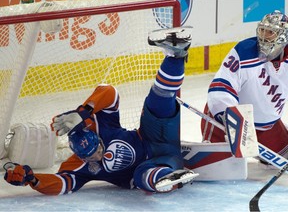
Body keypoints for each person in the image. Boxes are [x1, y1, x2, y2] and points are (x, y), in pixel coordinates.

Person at [3, 27, 198, 195]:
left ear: (96, 138)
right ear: (80, 156)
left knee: (157, 102)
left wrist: (83, 111)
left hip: (151, 136)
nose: (97, 157)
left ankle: (177, 54)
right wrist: (34, 180)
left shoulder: (99, 124)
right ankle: (170, 176)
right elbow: (62, 184)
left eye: (97, 149)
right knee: (140, 178)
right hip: (155, 165)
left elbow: (110, 92)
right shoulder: (77, 166)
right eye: (90, 156)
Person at [201, 10, 288, 162]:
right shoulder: (244, 51)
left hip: (269, 127)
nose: (263, 36)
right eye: (262, 30)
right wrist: (233, 121)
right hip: (228, 122)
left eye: (270, 32)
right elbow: (221, 88)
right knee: (222, 168)